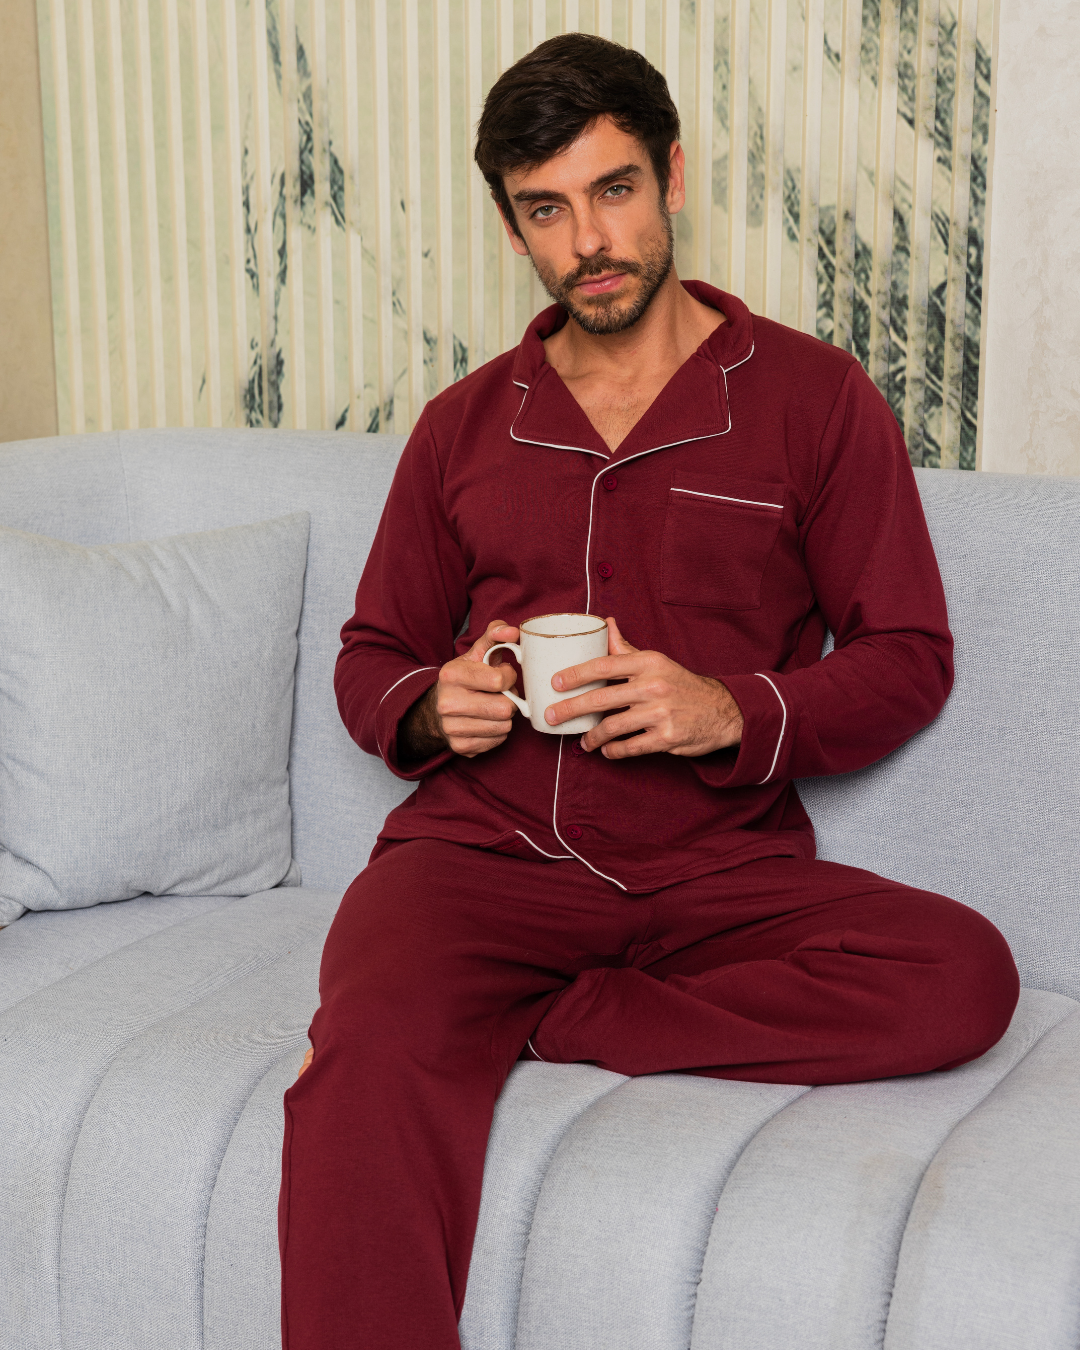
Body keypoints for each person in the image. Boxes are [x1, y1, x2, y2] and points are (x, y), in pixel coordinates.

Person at [277, 32, 1018, 1350]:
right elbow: (369, 654)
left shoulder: (815, 399)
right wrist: (432, 704)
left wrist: (731, 709)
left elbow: (908, 654)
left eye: (613, 190)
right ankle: (491, 1003)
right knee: (366, 1056)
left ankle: (558, 1013)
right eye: (545, 209)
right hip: (480, 865)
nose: (588, 241)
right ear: (512, 225)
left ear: (673, 177)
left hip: (716, 874)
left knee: (963, 976)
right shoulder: (461, 425)